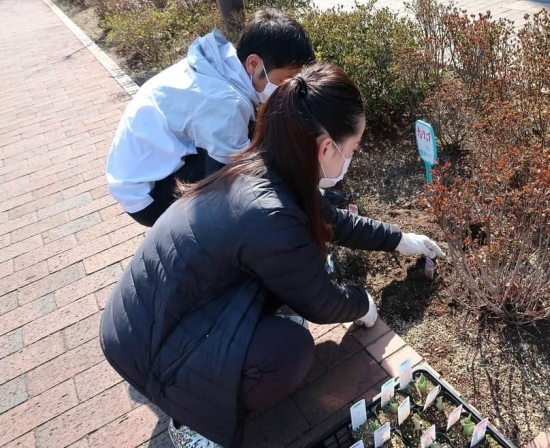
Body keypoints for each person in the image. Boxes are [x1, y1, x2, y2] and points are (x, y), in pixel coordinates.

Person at [99, 62, 445, 448]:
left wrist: (400, 239)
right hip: (148, 349)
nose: (352, 159)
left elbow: (332, 222)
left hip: (157, 313)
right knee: (290, 352)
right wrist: (363, 304)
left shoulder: (269, 165)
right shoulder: (272, 213)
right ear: (327, 147)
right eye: (353, 149)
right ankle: (191, 423)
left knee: (306, 267)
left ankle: (203, 377)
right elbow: (321, 303)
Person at [105, 8, 315, 227]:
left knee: (252, 141)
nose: (287, 88)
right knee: (241, 177)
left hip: (134, 173)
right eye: (285, 79)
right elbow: (232, 175)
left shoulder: (218, 62)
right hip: (148, 197)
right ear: (254, 63)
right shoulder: (226, 102)